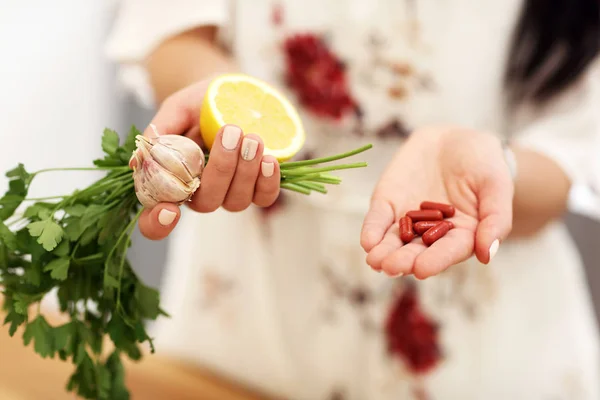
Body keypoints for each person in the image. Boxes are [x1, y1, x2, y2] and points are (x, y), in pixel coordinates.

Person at [105, 1, 600, 399]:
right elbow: (175, 31)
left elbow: (568, 154)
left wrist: (499, 169)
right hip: (248, 311)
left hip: (484, 346)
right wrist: (221, 103)